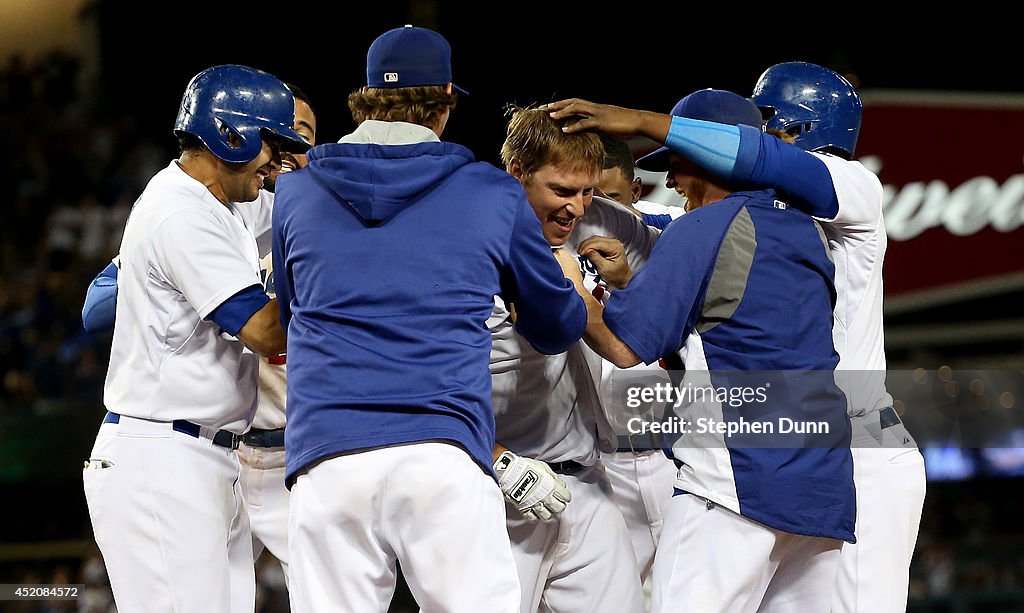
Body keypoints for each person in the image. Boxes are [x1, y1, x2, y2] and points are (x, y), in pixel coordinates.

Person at [550, 63, 926, 613]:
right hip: (809, 451)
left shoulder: (850, 186)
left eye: (766, 124)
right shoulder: (773, 212)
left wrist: (638, 121)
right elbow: (675, 236)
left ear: (801, 129)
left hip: (855, 447)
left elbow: (744, 169)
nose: (752, 137)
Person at [271, 26, 586, 613]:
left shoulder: (296, 191)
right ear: (446, 100)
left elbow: (291, 317)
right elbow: (557, 326)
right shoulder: (491, 193)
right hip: (443, 454)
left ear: (364, 97)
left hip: (328, 456)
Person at [81, 64, 310, 613]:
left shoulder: (222, 202)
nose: (277, 162)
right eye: (271, 144)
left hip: (207, 455)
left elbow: (308, 206)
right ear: (231, 135)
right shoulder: (180, 211)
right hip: (162, 455)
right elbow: (265, 331)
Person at [490, 105, 647, 613]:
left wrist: (624, 285)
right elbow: (423, 378)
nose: (577, 208)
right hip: (498, 490)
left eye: (586, 192)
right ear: (517, 174)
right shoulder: (464, 244)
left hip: (585, 482)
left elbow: (683, 272)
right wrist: (499, 462)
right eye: (561, 191)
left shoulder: (602, 221)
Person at [591, 133, 681, 605]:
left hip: (673, 462)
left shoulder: (670, 233)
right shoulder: (554, 243)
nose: (599, 212)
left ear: (637, 193)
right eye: (591, 197)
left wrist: (628, 280)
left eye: (612, 198)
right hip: (603, 465)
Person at [597, 133, 682, 229]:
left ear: (635, 191)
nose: (597, 209)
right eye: (587, 195)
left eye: (607, 200)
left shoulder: (676, 220)